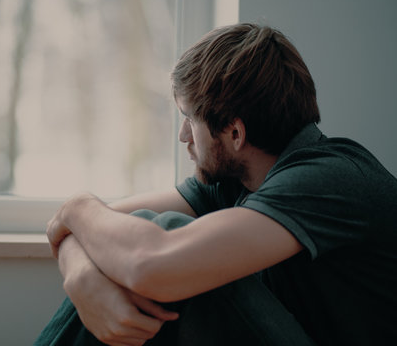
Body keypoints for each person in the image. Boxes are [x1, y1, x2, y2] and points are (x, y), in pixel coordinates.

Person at [36, 23, 397, 345]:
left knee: (169, 245)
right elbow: (92, 228)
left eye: (189, 120)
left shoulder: (330, 178)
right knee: (140, 236)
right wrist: (82, 278)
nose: (182, 136)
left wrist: (77, 204)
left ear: (235, 133)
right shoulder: (240, 180)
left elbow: (147, 261)